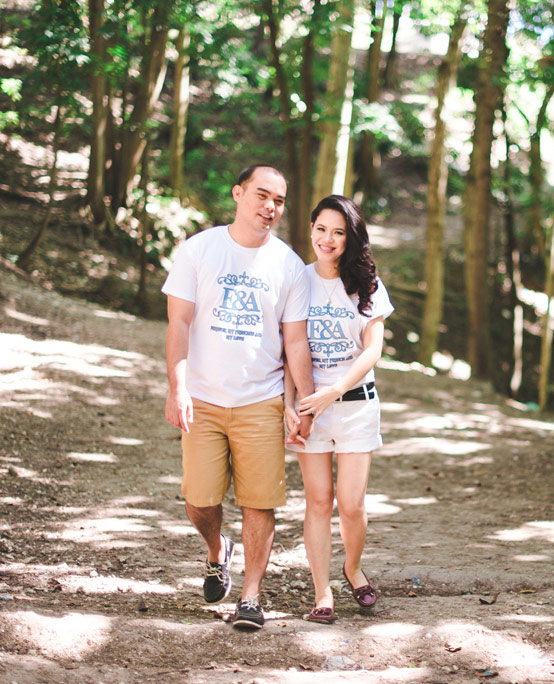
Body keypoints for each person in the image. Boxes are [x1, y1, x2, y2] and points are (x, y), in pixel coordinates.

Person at [162, 164, 315, 630]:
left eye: (279, 201)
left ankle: (250, 596)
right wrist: (177, 387)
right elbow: (178, 323)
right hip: (203, 398)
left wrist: (303, 403)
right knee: (199, 498)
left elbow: (295, 342)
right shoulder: (200, 249)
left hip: (261, 400)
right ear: (238, 193)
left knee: (259, 502)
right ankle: (216, 550)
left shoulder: (289, 265)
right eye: (261, 195)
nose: (270, 207)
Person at [284, 195, 394, 625]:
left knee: (350, 504)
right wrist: (291, 405)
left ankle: (352, 567)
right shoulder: (298, 280)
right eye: (321, 229)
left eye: (338, 232)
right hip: (310, 409)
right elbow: (289, 349)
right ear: (310, 229)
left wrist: (335, 390)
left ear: (351, 237)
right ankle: (322, 591)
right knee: (317, 501)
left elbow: (373, 350)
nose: (327, 239)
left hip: (356, 405)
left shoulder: (367, 284)